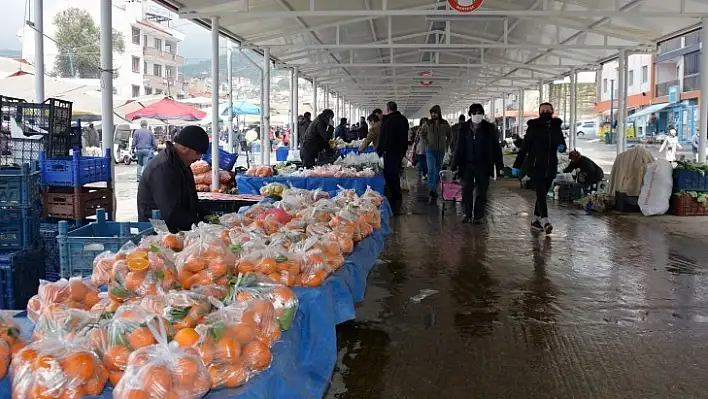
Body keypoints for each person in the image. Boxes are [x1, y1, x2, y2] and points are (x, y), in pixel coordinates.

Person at [137, 126, 209, 233]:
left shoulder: (181, 163)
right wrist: (199, 223)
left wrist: (206, 219)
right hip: (157, 234)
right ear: (185, 148)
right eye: (198, 153)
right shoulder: (163, 167)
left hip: (176, 231)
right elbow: (170, 213)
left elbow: (192, 199)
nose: (199, 158)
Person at [512, 102, 567, 234]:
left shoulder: (555, 127)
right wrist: (517, 165)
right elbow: (524, 148)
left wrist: (562, 146)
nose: (545, 112)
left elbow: (561, 141)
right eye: (543, 110)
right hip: (535, 166)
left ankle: (535, 220)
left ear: (552, 111)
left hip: (551, 166)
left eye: (548, 109)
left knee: (541, 194)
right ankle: (545, 220)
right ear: (539, 112)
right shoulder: (533, 128)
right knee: (541, 194)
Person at [452, 104, 504, 224]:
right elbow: (459, 147)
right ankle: (467, 213)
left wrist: (499, 165)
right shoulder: (464, 128)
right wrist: (455, 164)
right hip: (467, 164)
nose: (477, 115)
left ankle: (478, 216)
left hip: (484, 164)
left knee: (482, 191)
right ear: (470, 114)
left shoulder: (489, 129)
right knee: (466, 190)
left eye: (479, 112)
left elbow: (496, 148)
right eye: (474, 113)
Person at [377, 101, 409, 214]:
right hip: (400, 151)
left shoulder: (388, 121)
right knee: (395, 172)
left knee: (390, 173)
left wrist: (380, 150)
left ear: (387, 109)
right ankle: (396, 194)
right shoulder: (403, 119)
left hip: (390, 151)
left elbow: (384, 137)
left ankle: (395, 195)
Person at [421, 105, 451, 199]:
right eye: (432, 113)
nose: (433, 114)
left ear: (439, 113)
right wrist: (427, 144)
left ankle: (434, 188)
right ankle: (431, 188)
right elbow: (422, 134)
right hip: (430, 150)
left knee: (438, 170)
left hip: (441, 151)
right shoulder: (428, 124)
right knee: (431, 169)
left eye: (435, 112)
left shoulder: (445, 123)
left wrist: (446, 145)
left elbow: (450, 135)